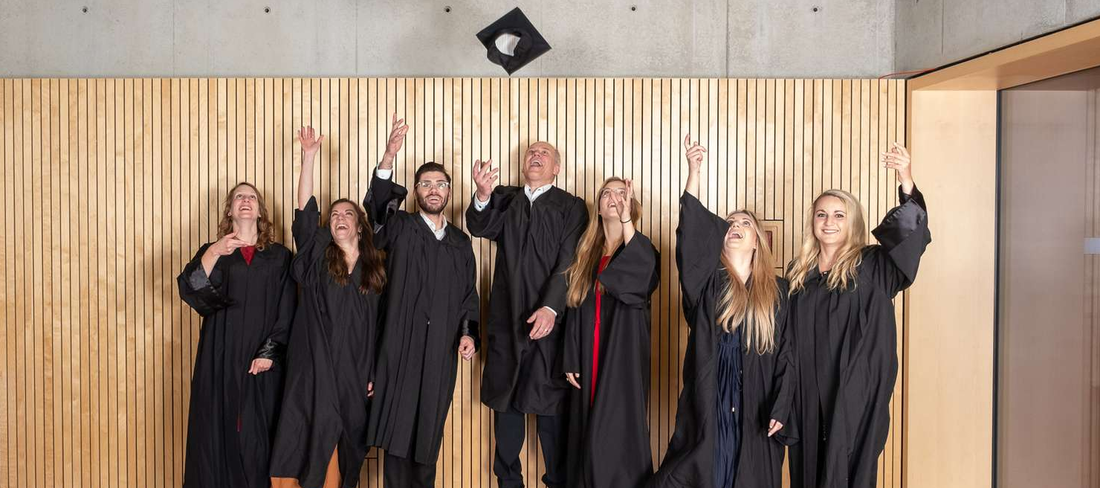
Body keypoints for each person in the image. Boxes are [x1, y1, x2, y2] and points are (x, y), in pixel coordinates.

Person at [650, 135, 797, 488]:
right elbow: (690, 242)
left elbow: (788, 355)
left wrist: (781, 405)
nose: (736, 226)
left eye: (745, 223)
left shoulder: (779, 290)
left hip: (758, 401)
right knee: (706, 472)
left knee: (751, 475)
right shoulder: (706, 281)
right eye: (730, 222)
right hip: (711, 395)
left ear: (758, 240)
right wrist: (694, 172)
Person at [785, 143, 930, 488]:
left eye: (839, 215)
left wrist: (905, 179)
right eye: (821, 214)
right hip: (806, 392)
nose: (829, 222)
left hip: (854, 392)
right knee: (807, 470)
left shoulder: (874, 265)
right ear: (812, 222)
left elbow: (912, 236)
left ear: (852, 222)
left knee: (850, 469)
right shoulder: (798, 273)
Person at [364, 115, 481, 487]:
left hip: (439, 350)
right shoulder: (400, 228)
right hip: (399, 346)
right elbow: (378, 208)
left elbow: (468, 295)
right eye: (425, 184)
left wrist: (468, 334)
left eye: (440, 184)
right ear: (415, 192)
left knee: (428, 432)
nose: (433, 189)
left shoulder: (461, 242)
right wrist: (388, 157)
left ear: (448, 191)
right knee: (398, 431)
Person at [466, 141, 588, 488]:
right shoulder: (506, 199)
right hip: (508, 322)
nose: (535, 156)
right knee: (506, 414)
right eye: (530, 153)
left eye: (544, 153)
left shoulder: (571, 207)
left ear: (557, 167)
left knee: (551, 418)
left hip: (550, 329)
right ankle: (508, 483)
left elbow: (570, 260)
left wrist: (551, 307)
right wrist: (482, 194)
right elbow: (480, 225)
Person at [269, 126, 386, 488]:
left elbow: (382, 324)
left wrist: (375, 371)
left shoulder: (377, 267)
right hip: (314, 364)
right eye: (334, 214)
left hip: (355, 369)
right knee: (304, 433)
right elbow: (305, 213)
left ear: (359, 225)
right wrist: (309, 157)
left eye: (347, 214)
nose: (339, 218)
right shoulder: (319, 254)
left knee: (348, 441)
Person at [177, 182, 295, 488]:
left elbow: (289, 306)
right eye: (239, 197)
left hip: (262, 360)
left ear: (260, 211)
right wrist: (216, 249)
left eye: (252, 197)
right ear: (230, 210)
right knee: (219, 430)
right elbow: (190, 290)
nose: (246, 201)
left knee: (258, 436)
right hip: (221, 353)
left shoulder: (279, 257)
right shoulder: (214, 253)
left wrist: (270, 352)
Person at [561, 177, 660, 487]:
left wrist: (627, 219)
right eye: (607, 193)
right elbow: (574, 307)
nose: (614, 198)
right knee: (586, 432)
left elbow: (641, 277)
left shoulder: (644, 250)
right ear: (599, 207)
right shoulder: (586, 254)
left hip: (623, 356)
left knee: (615, 433)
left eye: (622, 193)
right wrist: (570, 357)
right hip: (588, 356)